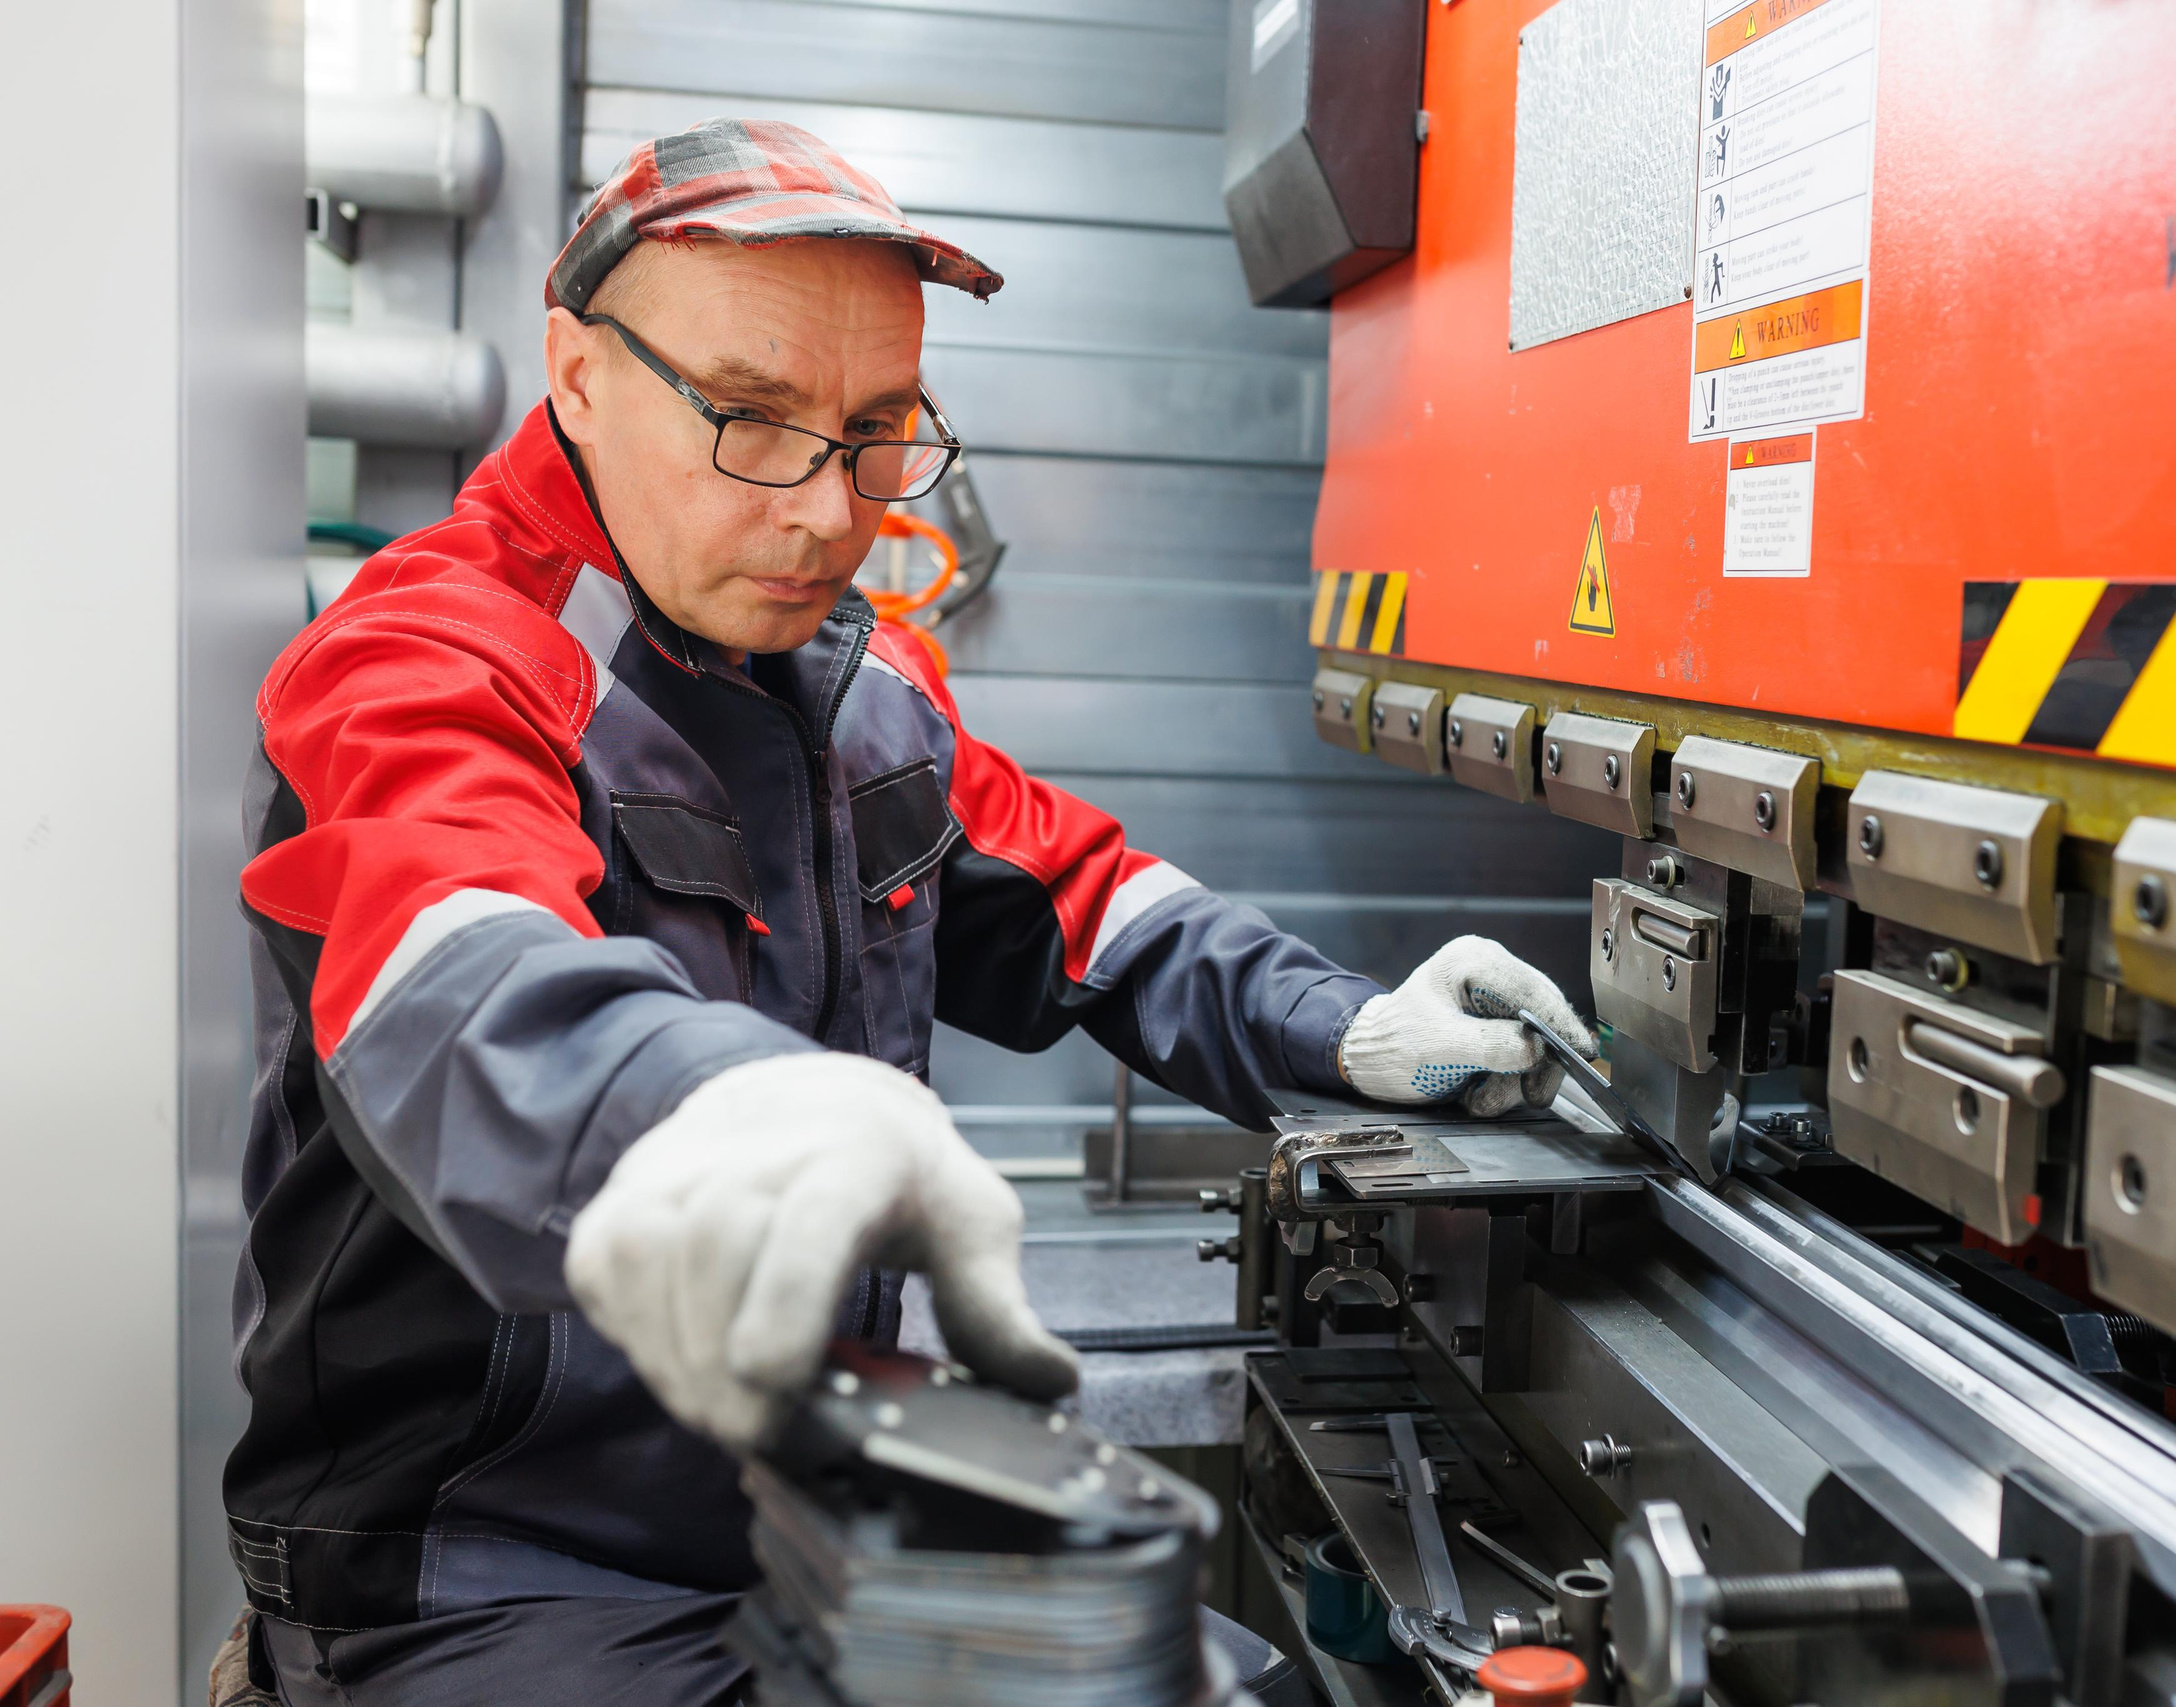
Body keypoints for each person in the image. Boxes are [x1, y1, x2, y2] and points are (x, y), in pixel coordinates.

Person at [218, 118, 1594, 1704]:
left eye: (879, 429)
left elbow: (1088, 903)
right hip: (480, 1570)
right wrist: (705, 1110)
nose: (829, 509)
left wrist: (1344, 1022)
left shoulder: (859, 694)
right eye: (752, 420)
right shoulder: (429, 660)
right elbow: (451, 969)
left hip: (797, 1501)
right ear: (578, 372)